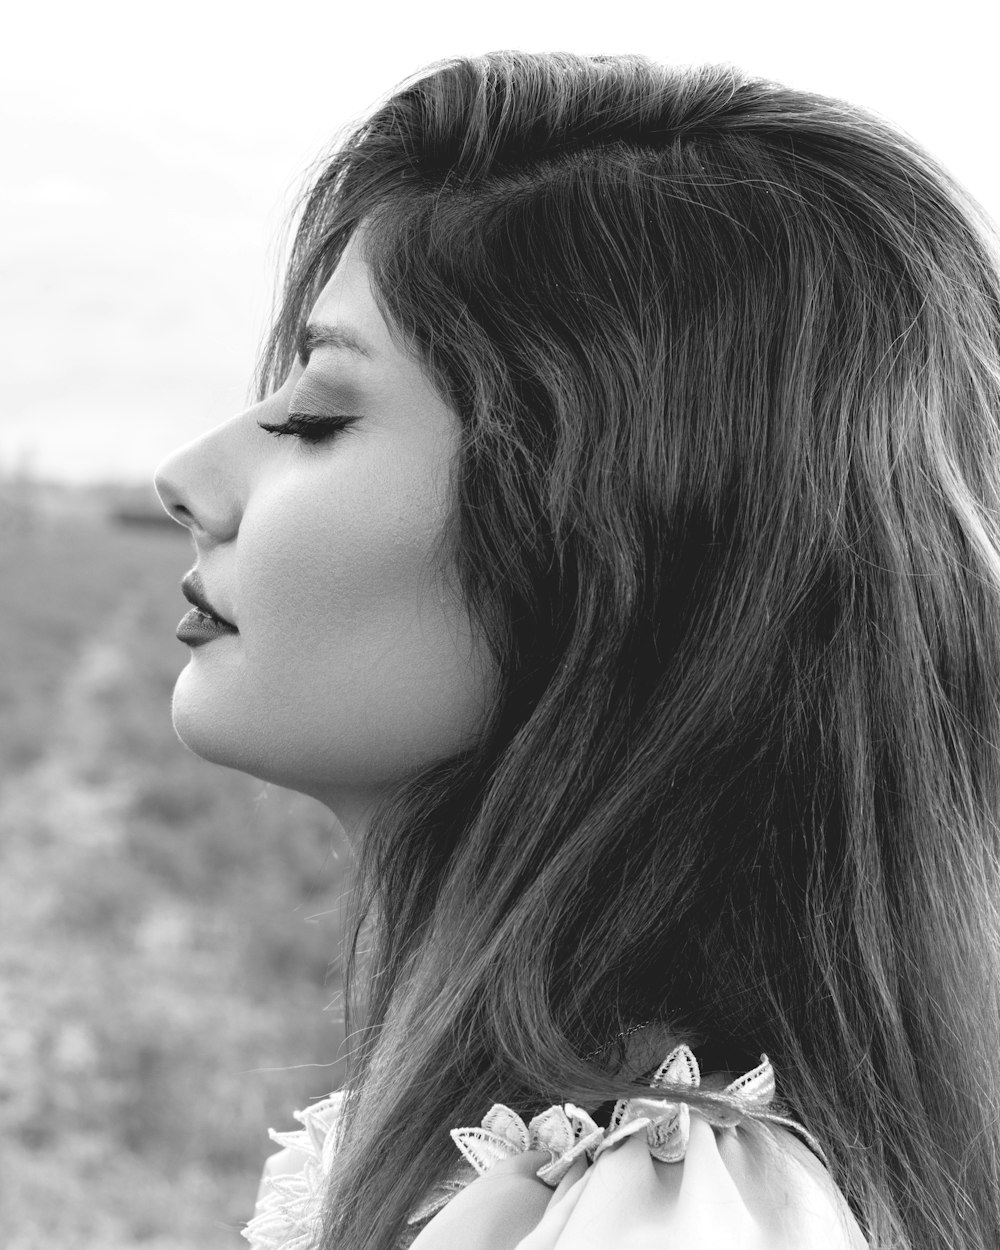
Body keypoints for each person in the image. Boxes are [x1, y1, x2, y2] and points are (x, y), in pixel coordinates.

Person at [151, 50, 1000, 1250]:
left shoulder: (667, 1212)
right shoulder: (575, 1165)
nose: (187, 480)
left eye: (316, 416)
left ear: (631, 540)